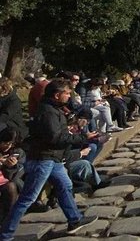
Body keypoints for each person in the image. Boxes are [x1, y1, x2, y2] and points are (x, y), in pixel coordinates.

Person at [0, 79, 98, 239]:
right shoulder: (48, 112)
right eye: (66, 93)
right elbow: (55, 137)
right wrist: (82, 137)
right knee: (27, 198)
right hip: (43, 159)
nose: (69, 95)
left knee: (65, 185)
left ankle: (75, 219)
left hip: (53, 158)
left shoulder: (53, 108)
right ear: (57, 95)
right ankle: (5, 234)